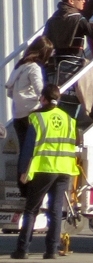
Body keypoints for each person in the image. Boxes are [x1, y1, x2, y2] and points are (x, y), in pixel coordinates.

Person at [11, 84, 77, 260]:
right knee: (55, 210)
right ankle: (52, 250)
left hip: (44, 168)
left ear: (43, 99)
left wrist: (23, 171)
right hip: (64, 168)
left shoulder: (37, 117)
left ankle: (22, 249)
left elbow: (28, 147)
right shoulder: (69, 119)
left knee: (31, 209)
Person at [5, 37, 53, 170]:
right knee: (32, 150)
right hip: (31, 113)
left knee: (23, 151)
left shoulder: (20, 66)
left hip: (17, 114)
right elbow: (40, 91)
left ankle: (21, 177)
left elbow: (9, 92)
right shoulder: (34, 68)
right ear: (44, 53)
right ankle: (29, 178)